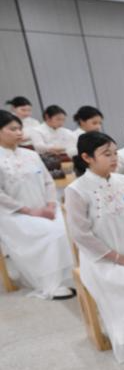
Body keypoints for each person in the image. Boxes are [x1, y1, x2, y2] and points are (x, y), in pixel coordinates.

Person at [64, 131, 124, 363]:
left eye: (115, 153)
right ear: (87, 157)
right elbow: (81, 235)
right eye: (106, 154)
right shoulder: (77, 190)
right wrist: (121, 259)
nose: (114, 158)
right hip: (104, 263)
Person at [0, 110, 74, 299]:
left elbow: (49, 182)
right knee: (50, 233)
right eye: (12, 129)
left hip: (45, 209)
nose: (19, 132)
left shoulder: (30, 154)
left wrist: (50, 205)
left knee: (70, 227)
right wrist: (29, 211)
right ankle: (48, 283)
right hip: (13, 214)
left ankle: (68, 277)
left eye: (19, 128)